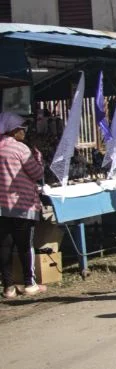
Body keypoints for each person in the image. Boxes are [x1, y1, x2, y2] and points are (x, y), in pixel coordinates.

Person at [0, 112, 47, 299]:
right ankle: (29, 283)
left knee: (4, 246)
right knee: (25, 245)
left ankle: (8, 287)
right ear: (13, 131)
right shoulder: (21, 149)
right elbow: (36, 173)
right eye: (22, 129)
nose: (24, 132)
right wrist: (39, 158)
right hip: (22, 206)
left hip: (1, 208)